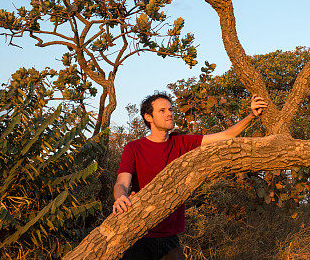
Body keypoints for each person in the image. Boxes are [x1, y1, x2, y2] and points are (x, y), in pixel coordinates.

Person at [113, 91, 267, 260]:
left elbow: (225, 136)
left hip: (169, 237)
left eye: (170, 109)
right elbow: (122, 182)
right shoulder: (134, 147)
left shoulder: (182, 142)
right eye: (162, 110)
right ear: (148, 117)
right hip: (138, 234)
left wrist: (252, 115)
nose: (170, 113)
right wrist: (121, 197)